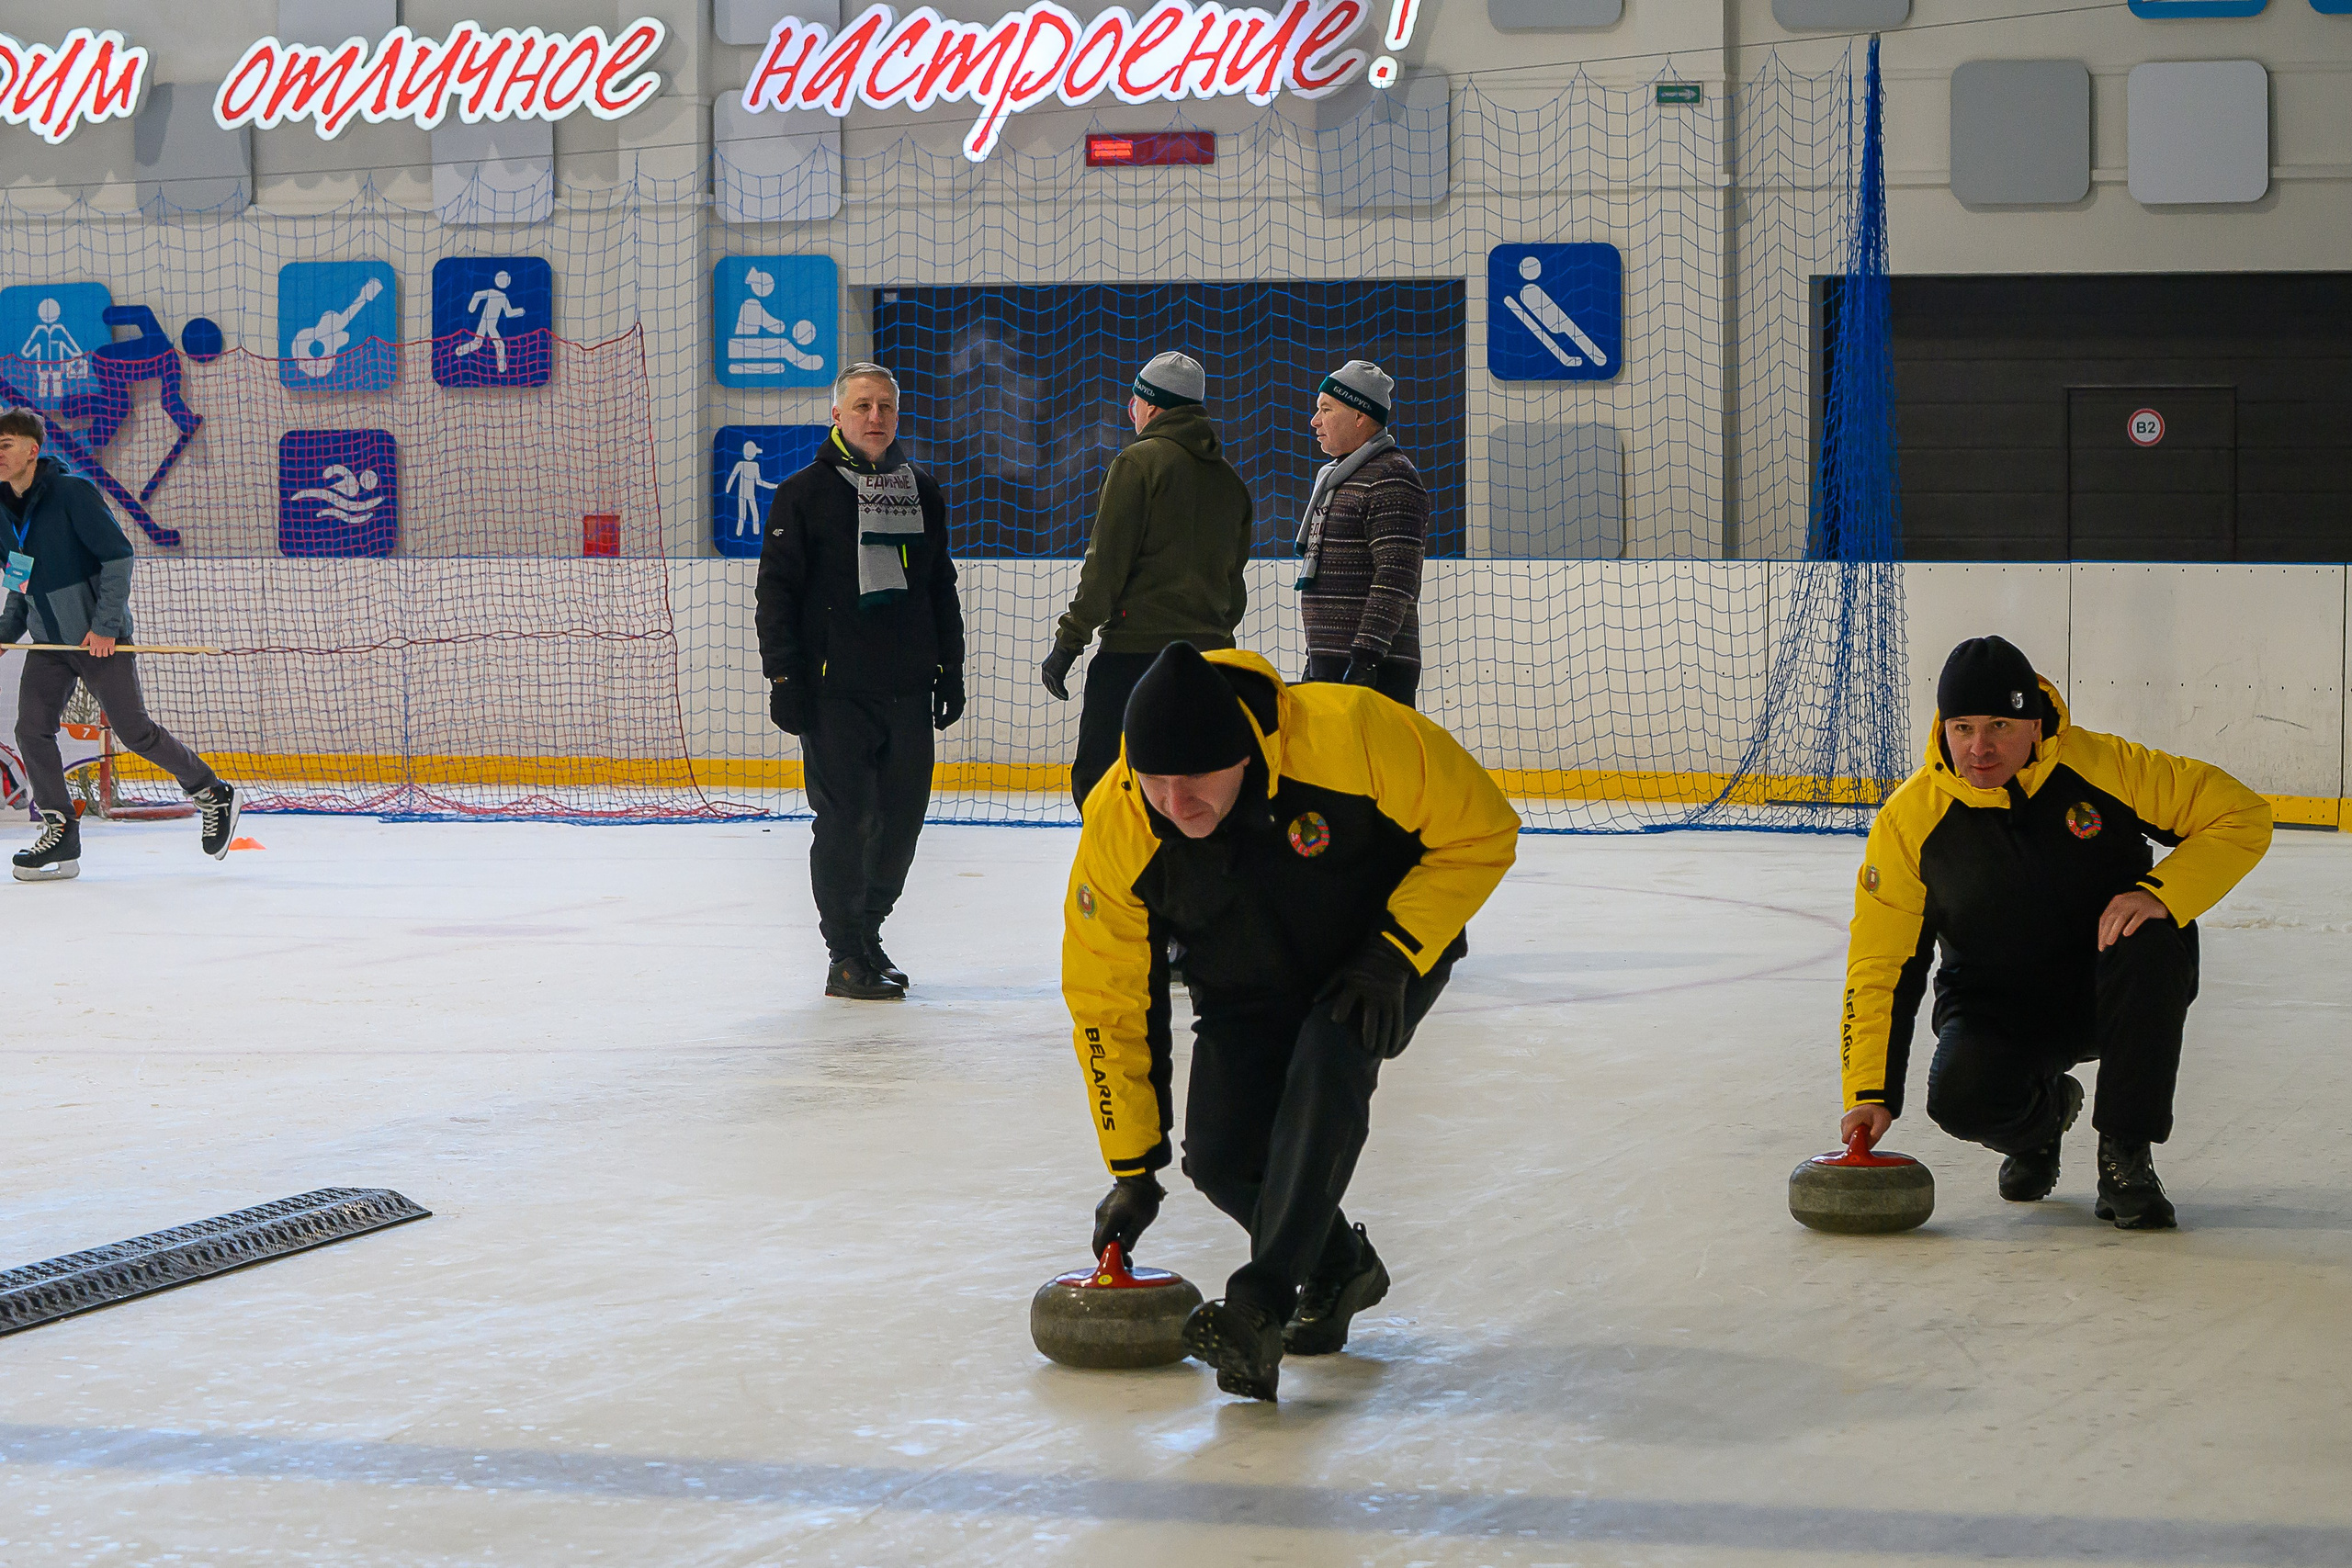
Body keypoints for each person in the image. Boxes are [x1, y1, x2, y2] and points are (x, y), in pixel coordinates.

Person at [1064, 641, 1519, 1399]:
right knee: (1218, 1155)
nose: (1175, 804)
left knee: (1329, 1057)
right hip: (1247, 981)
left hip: (1377, 957)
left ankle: (1260, 1304)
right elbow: (1106, 1002)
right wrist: (1132, 1167)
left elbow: (1482, 829)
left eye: (1195, 779)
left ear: (1243, 752)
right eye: (1156, 782)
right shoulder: (1119, 825)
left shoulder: (1352, 734)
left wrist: (1395, 952)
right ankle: (1341, 1267)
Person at [1839, 636, 2272, 1230]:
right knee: (1959, 1097)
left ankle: (2125, 1151)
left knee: (2152, 939)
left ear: (2034, 722)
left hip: (2109, 986)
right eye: (1962, 727)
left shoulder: (2104, 767)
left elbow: (2241, 813)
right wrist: (1868, 1088)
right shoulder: (1909, 821)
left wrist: (2160, 894)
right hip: (1998, 1004)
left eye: (1999, 725)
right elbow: (1880, 962)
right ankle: (2043, 1124)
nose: (1980, 748)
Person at [756, 364, 965, 1000]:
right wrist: (785, 674)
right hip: (832, 692)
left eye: (886, 407)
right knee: (848, 821)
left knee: (901, 822)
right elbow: (778, 592)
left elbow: (938, 586)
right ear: (838, 417)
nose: (876, 417)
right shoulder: (803, 494)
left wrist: (949, 667)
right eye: (863, 406)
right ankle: (843, 953)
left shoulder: (920, 491)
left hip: (905, 689)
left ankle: (869, 933)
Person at [0, 407, 241, 880]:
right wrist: (6, 633)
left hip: (98, 640)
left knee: (135, 733)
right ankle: (60, 830)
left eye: (4, 446)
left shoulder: (72, 493)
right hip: (49, 644)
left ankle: (212, 791)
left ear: (32, 449)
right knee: (31, 730)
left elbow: (118, 557)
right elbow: (18, 577)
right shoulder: (2, 509)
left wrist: (107, 624)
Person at [1039, 351, 1253, 814]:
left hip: (1134, 661)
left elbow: (1104, 568)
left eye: (1133, 399)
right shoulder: (1230, 482)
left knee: (1103, 786)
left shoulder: (1138, 463)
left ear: (1152, 405)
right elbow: (1234, 589)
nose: (1129, 409)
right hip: (1209, 660)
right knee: (1188, 790)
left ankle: (1123, 882)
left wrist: (1068, 644)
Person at [1294, 359, 1428, 706]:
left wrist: (1366, 656)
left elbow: (1395, 579)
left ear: (1360, 416)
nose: (1315, 420)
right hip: (1334, 661)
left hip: (1375, 668)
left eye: (1326, 409)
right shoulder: (1338, 478)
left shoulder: (1392, 478)